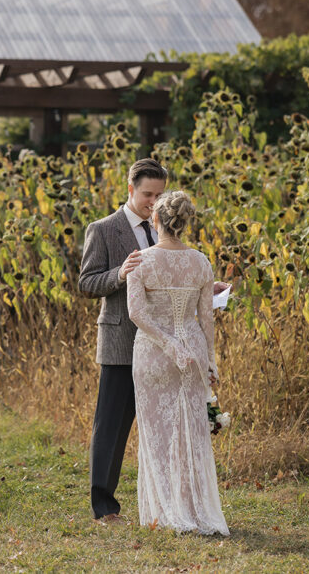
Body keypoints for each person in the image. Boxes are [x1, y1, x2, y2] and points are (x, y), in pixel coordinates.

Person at [78, 159, 226, 522]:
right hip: (120, 342)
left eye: (160, 195)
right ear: (130, 190)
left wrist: (208, 292)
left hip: (166, 349)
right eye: (147, 194)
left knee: (168, 425)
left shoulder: (165, 229)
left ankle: (172, 502)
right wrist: (119, 273)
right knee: (111, 425)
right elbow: (85, 283)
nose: (153, 202)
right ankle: (104, 506)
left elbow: (172, 274)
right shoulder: (103, 229)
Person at [126, 190, 228, 535]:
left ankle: (166, 510)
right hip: (193, 348)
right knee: (191, 435)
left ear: (156, 219)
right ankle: (194, 509)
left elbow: (136, 313)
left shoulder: (141, 260)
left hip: (154, 352)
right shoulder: (201, 262)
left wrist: (168, 343)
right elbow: (206, 318)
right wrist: (210, 360)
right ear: (184, 223)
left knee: (157, 432)